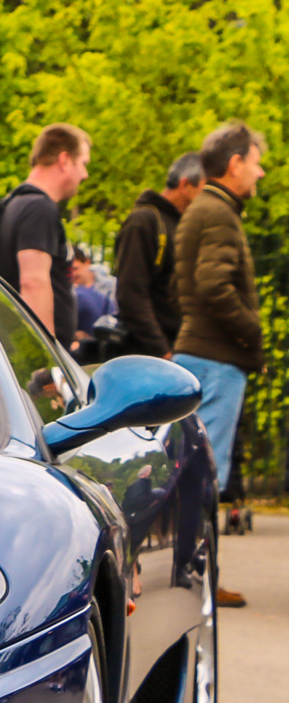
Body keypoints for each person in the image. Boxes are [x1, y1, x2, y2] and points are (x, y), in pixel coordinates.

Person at [173, 122, 267, 609]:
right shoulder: (220, 214)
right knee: (209, 475)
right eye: (255, 161)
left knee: (192, 472)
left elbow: (186, 286)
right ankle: (200, 580)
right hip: (217, 359)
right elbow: (213, 286)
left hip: (199, 353)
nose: (260, 171)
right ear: (234, 164)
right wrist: (251, 330)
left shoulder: (199, 210)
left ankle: (195, 573)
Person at [0, 123, 92, 344]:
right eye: (83, 164)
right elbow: (33, 283)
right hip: (35, 358)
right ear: (65, 160)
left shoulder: (17, 203)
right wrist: (48, 361)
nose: (85, 175)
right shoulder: (39, 208)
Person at [114, 152, 204, 358]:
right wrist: (162, 350)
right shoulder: (144, 221)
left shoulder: (184, 225)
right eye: (204, 189)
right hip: (149, 356)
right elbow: (131, 294)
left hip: (180, 350)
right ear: (185, 185)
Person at [71, 246, 116, 350]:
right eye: (69, 270)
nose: (73, 274)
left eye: (75, 268)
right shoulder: (70, 289)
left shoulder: (111, 286)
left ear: (87, 263)